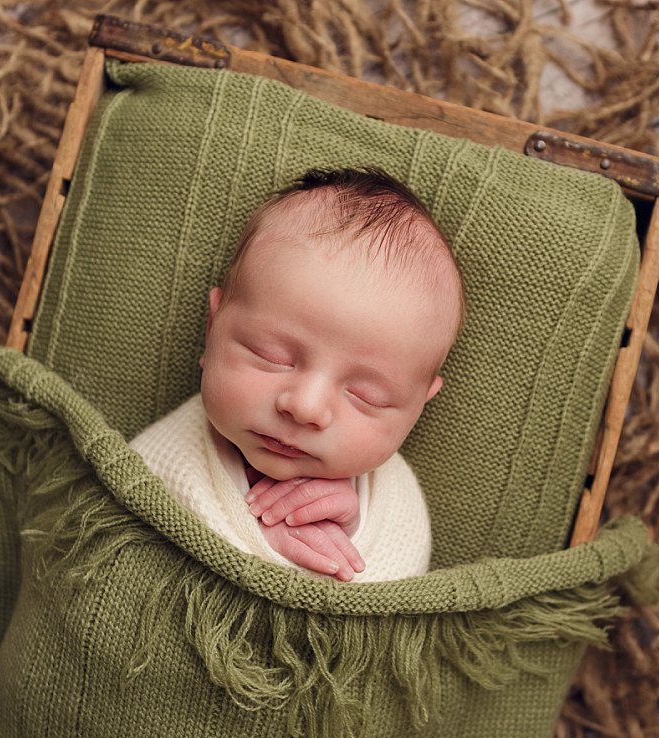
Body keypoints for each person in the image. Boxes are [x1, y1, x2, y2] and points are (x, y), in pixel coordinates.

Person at [129, 167, 465, 582]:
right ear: (212, 330)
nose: (305, 407)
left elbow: (391, 608)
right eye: (271, 356)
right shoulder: (163, 459)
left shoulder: (391, 503)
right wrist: (260, 541)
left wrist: (349, 544)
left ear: (417, 407)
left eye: (366, 395)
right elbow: (114, 537)